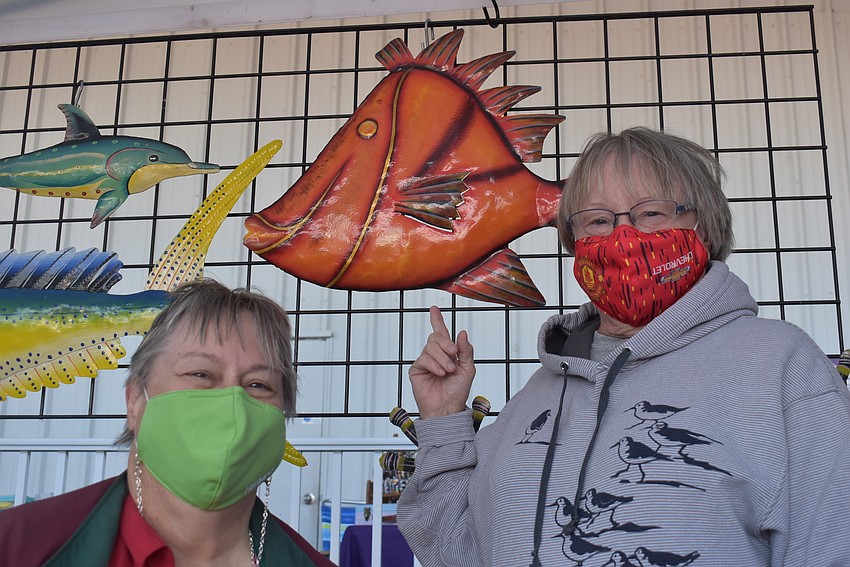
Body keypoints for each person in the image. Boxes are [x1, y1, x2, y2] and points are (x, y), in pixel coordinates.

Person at [396, 127, 850, 566]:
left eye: (651, 213)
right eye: (597, 220)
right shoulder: (540, 392)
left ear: (705, 228)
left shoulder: (780, 365)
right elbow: (454, 550)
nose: (622, 237)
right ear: (575, 244)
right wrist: (443, 421)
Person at [0, 279, 335, 567]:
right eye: (200, 374)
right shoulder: (17, 547)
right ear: (135, 400)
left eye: (259, 385)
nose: (233, 403)